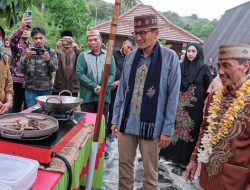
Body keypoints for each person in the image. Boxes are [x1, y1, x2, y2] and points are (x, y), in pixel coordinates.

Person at [111, 14, 181, 189]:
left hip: (153, 126)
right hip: (127, 123)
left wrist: (167, 129)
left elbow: (173, 96)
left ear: (156, 32)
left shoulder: (169, 57)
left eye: (143, 33)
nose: (138, 37)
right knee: (124, 169)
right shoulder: (131, 56)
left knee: (150, 174)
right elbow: (122, 90)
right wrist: (115, 118)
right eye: (136, 33)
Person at [186, 44, 250, 190]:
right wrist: (194, 160)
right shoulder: (214, 97)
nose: (220, 72)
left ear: (245, 66)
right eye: (219, 65)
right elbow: (204, 130)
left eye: (226, 66)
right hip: (208, 176)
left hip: (237, 181)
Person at [160, 43, 212, 175]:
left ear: (198, 53)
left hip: (194, 108)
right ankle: (171, 157)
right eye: (189, 51)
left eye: (194, 51)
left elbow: (209, 88)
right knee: (176, 129)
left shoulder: (204, 68)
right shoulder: (180, 66)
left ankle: (184, 160)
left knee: (189, 132)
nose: (190, 54)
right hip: (178, 105)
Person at [76, 30, 116, 158]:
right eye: (90, 40)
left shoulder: (109, 56)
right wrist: (95, 86)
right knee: (87, 124)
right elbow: (80, 74)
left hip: (104, 97)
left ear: (100, 40)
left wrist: (103, 87)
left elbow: (112, 74)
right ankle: (86, 150)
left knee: (102, 124)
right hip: (87, 97)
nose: (92, 42)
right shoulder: (83, 56)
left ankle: (100, 149)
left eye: (95, 39)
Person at [106, 37, 136, 141]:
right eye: (128, 47)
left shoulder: (132, 59)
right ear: (123, 44)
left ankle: (109, 131)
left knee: (113, 109)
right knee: (104, 109)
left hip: (119, 88)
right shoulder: (113, 53)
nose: (129, 50)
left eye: (132, 49)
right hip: (107, 86)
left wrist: (119, 82)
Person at [20, 27, 58, 108]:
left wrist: (48, 60)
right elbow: (21, 69)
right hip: (30, 88)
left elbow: (54, 69)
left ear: (45, 38)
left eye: (40, 38)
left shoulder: (51, 52)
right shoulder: (27, 51)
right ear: (32, 39)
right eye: (35, 38)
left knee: (45, 113)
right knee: (31, 112)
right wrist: (26, 58)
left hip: (45, 89)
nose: (38, 40)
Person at [10, 14, 33, 112]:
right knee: (16, 106)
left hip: (29, 81)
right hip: (17, 81)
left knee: (28, 107)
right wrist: (21, 27)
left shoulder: (32, 46)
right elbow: (12, 41)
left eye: (28, 29)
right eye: (24, 29)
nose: (25, 31)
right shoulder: (16, 45)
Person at [53, 30, 80, 97]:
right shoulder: (57, 51)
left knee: (71, 106)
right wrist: (57, 49)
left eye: (69, 39)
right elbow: (52, 63)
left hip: (73, 86)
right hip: (58, 86)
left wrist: (77, 49)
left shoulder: (76, 51)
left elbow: (82, 63)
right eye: (65, 39)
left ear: (73, 40)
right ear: (61, 40)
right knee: (57, 106)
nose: (67, 41)